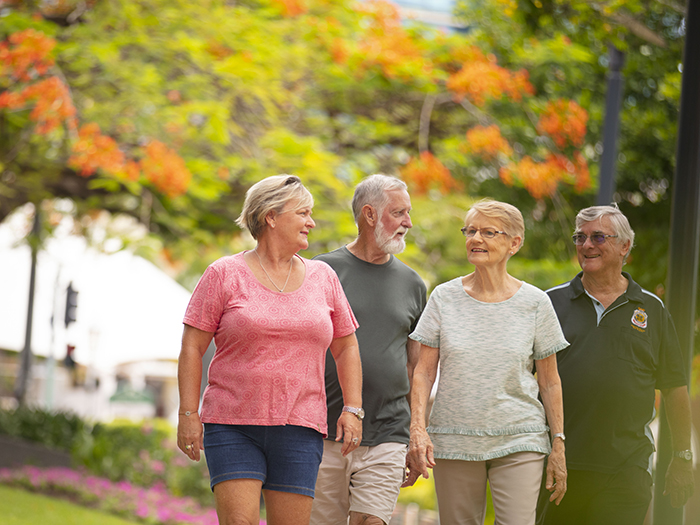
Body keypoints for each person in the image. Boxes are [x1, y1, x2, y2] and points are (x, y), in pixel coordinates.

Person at [177, 175, 364, 525]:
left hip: (300, 425)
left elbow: (347, 345)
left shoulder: (323, 277)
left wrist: (353, 408)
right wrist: (188, 414)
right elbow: (192, 346)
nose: (311, 222)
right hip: (232, 423)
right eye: (303, 213)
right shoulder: (224, 273)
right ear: (271, 216)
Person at [407, 199, 569, 525]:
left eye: (488, 232)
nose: (475, 239)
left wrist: (558, 443)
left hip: (520, 436)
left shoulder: (536, 303)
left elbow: (549, 381)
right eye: (471, 230)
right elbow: (423, 372)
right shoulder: (443, 297)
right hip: (454, 437)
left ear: (514, 243)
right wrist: (417, 429)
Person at [538, 205, 694, 525]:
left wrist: (682, 457)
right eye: (580, 237)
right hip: (558, 467)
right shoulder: (549, 304)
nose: (586, 245)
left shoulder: (652, 309)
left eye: (598, 237)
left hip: (626, 469)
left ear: (625, 246)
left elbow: (675, 388)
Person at [310, 174, 427, 525]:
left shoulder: (413, 284)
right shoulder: (322, 271)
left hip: (388, 431)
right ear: (370, 215)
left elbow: (415, 365)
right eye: (399, 212)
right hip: (324, 430)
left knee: (372, 521)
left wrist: (417, 432)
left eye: (408, 213)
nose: (408, 222)